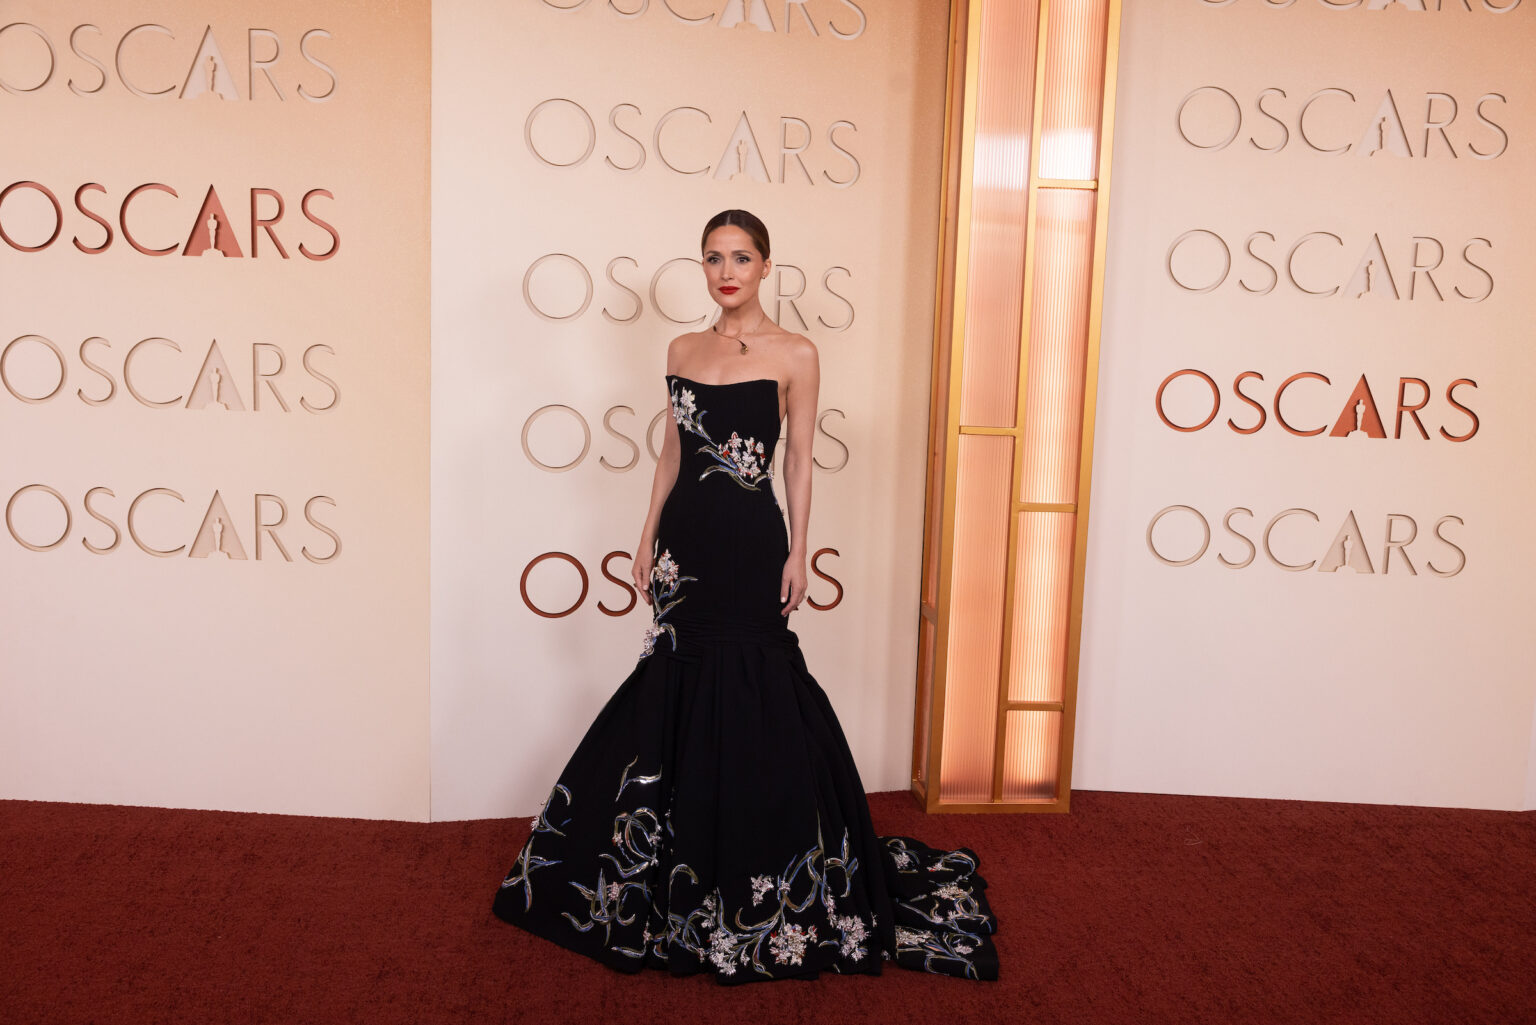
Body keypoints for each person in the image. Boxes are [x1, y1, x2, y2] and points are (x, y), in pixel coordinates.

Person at [492, 209, 998, 984]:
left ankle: (764, 862)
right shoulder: (682, 349)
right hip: (684, 546)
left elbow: (799, 459)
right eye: (712, 258)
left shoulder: (796, 352)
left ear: (766, 265)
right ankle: (671, 871)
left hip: (752, 543)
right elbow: (671, 450)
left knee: (762, 684)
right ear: (703, 268)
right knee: (674, 682)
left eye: (741, 257)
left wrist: (798, 547)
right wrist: (645, 534)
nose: (726, 271)